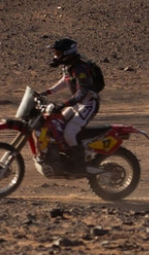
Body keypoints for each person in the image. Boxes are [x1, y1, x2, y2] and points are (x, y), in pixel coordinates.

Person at [42, 37, 105, 172]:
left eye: (58, 53)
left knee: (69, 133)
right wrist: (46, 93)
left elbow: (83, 91)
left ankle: (80, 165)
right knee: (58, 124)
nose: (55, 56)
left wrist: (65, 104)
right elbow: (65, 81)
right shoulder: (70, 67)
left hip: (88, 104)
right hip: (77, 103)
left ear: (67, 53)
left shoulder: (80, 68)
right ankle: (64, 156)